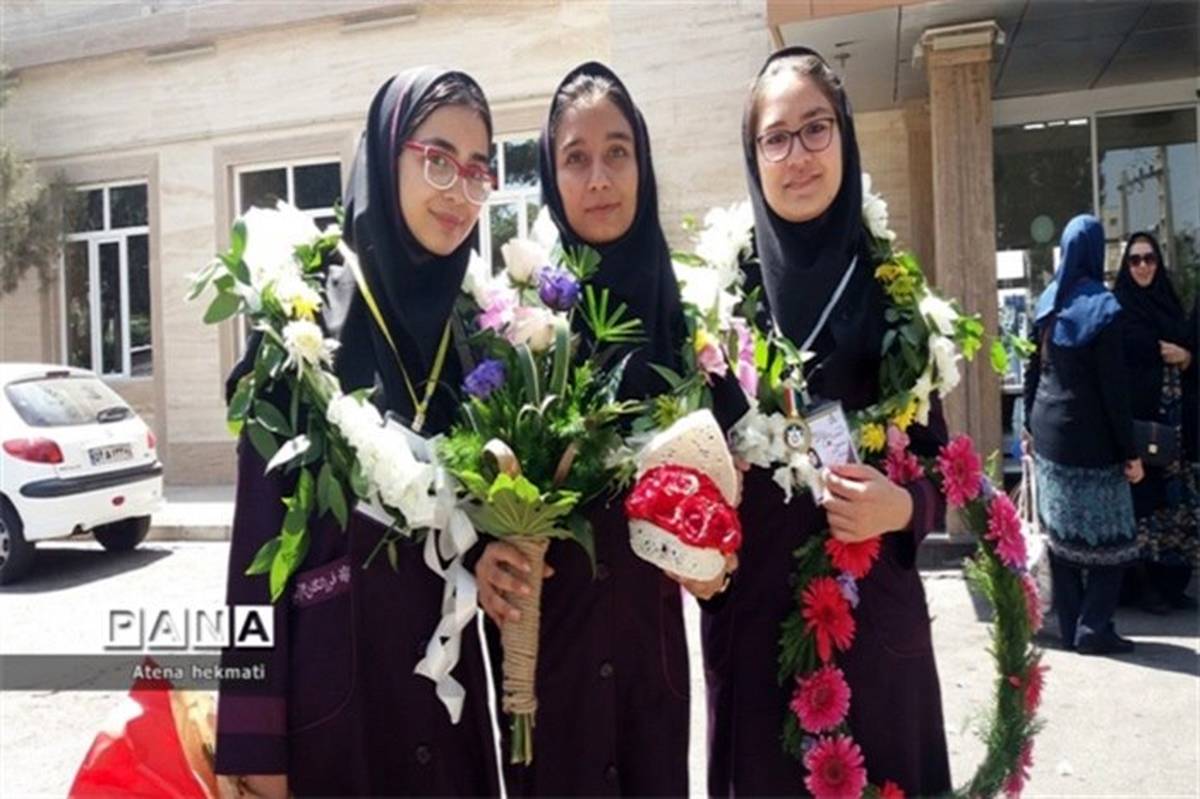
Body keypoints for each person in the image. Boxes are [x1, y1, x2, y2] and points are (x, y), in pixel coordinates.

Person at [214, 68, 501, 797]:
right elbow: (254, 558)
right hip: (336, 715)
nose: (458, 191)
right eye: (437, 159)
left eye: (477, 170)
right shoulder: (302, 325)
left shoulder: (478, 338)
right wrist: (253, 748)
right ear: (385, 155)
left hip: (448, 714)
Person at [699, 47, 952, 797]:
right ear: (753, 157)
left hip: (874, 633)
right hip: (756, 636)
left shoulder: (893, 294)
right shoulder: (718, 304)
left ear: (845, 134)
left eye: (816, 129)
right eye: (775, 138)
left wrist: (900, 506)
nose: (799, 155)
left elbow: (942, 470)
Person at [470, 61, 691, 796]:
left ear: (643, 164)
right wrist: (482, 555)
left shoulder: (687, 324)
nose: (599, 178)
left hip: (651, 671)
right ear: (550, 174)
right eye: (575, 157)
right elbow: (470, 489)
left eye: (617, 152)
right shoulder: (516, 329)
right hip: (547, 670)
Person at [1025, 214, 1143, 656]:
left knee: (1062, 536)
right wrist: (1130, 452)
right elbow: (1115, 391)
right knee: (1115, 536)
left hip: (1049, 432)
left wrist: (1027, 427)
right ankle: (1094, 627)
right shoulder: (1105, 309)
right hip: (1092, 439)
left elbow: (1034, 372)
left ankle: (1073, 625)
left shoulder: (1047, 303)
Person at [1113, 231, 1198, 612]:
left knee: (1174, 503)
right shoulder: (1119, 307)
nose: (1143, 266)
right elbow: (1126, 354)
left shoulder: (1169, 302)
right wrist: (1163, 350)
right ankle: (1143, 587)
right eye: (1135, 260)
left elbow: (1190, 349)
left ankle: (1171, 584)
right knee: (1142, 507)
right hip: (1140, 423)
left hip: (1177, 423)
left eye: (1149, 259)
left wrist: (1187, 357)